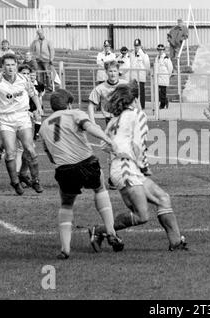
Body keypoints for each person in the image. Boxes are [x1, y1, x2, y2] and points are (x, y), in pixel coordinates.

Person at [88, 84, 188, 252]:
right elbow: (138, 145)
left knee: (163, 198)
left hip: (122, 167)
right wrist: (144, 165)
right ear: (135, 99)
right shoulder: (137, 115)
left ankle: (176, 243)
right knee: (141, 215)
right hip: (127, 168)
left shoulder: (113, 121)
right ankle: (98, 231)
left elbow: (104, 145)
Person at [40, 88, 124, 259]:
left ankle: (65, 249)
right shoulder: (74, 114)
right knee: (100, 189)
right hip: (86, 163)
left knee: (66, 204)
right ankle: (111, 232)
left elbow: (49, 155)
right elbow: (89, 126)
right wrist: (108, 140)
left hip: (64, 169)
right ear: (69, 104)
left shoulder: (44, 126)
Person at [0, 53, 43, 195]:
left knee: (30, 149)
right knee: (11, 152)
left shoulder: (24, 78)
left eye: (13, 65)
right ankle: (15, 182)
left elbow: (33, 93)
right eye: (7, 65)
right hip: (6, 120)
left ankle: (35, 180)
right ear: (2, 66)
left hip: (23, 117)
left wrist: (39, 107)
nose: (11, 67)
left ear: (17, 66)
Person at [130, 38, 150, 109]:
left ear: (140, 46)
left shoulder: (144, 54)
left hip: (141, 76)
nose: (136, 47)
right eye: (135, 45)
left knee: (141, 93)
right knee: (134, 92)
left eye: (137, 45)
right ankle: (135, 106)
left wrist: (147, 74)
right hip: (133, 76)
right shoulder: (131, 53)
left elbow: (147, 65)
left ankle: (142, 106)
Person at [154, 44, 173, 109]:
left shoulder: (166, 58)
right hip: (158, 78)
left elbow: (170, 68)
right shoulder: (157, 57)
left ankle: (162, 104)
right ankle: (165, 101)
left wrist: (168, 76)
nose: (160, 51)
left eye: (161, 50)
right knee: (159, 92)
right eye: (159, 50)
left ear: (163, 50)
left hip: (164, 77)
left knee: (162, 92)